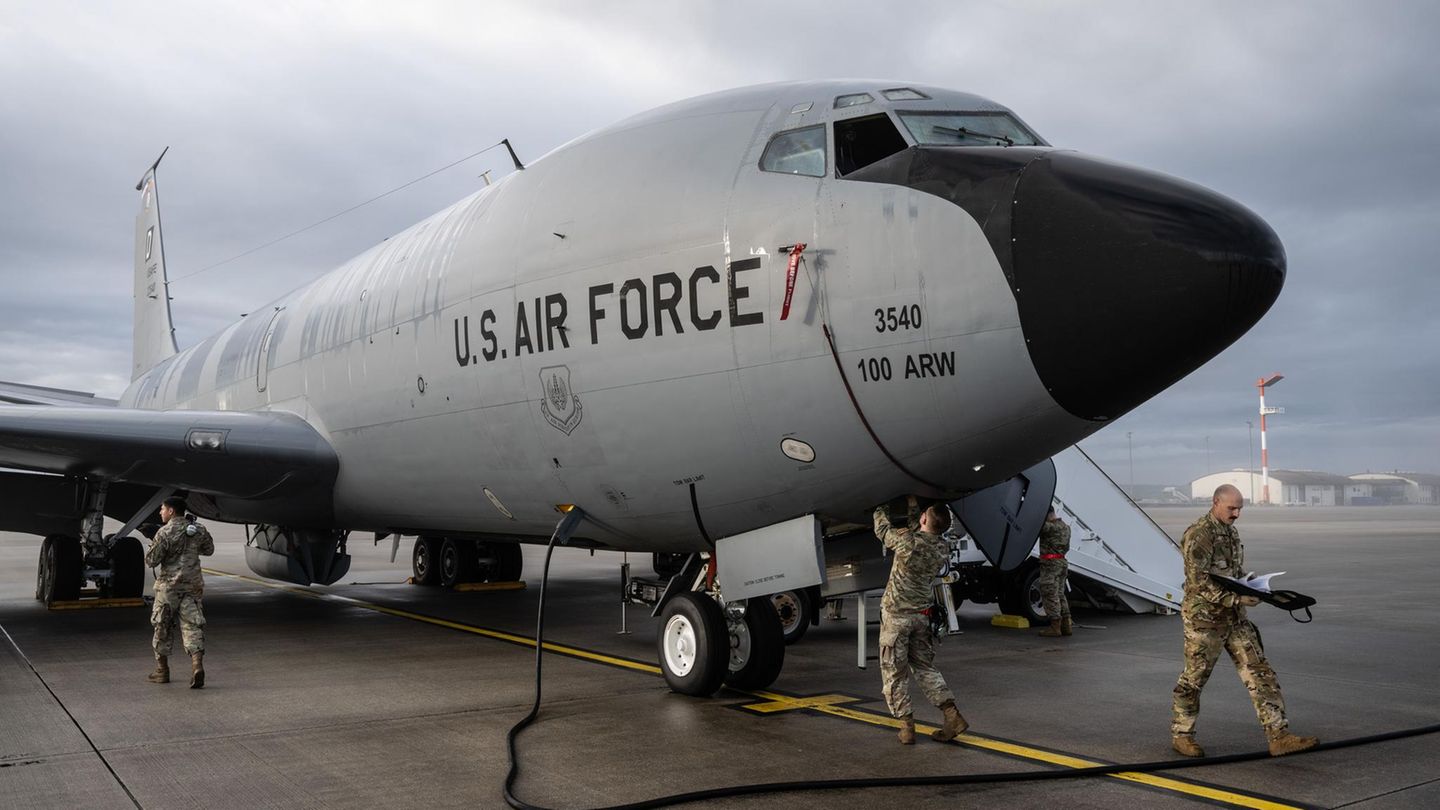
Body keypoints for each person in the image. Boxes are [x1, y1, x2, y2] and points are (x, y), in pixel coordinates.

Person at [1171, 485, 1317, 757]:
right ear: (1216, 503)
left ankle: (1279, 736)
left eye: (1240, 509)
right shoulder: (1198, 535)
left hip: (1235, 620)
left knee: (1261, 674)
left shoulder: (1230, 531)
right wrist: (1236, 600)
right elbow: (1198, 582)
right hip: (1205, 620)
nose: (1237, 514)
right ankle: (1182, 734)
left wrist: (1251, 585)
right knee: (1194, 679)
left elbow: (1231, 573)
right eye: (1232, 508)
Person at [873, 496, 966, 745]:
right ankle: (951, 714)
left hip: (896, 619)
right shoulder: (940, 548)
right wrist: (915, 507)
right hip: (921, 618)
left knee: (894, 674)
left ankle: (906, 728)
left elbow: (882, 530)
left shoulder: (908, 543)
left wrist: (878, 507)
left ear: (925, 519)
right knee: (925, 668)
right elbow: (920, 531)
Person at [145, 496, 214, 688]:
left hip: (169, 588)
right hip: (192, 586)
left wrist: (153, 539)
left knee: (162, 626)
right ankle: (196, 666)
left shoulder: (164, 532)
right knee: (193, 625)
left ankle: (162, 671)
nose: (160, 512)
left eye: (162, 509)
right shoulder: (197, 529)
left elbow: (151, 561)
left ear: (171, 511)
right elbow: (209, 550)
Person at [1036, 506, 1072, 637]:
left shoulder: (1049, 527)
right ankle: (1066, 625)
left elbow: (1035, 525)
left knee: (1049, 593)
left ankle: (1055, 627)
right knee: (1060, 594)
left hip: (1050, 564)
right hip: (1062, 562)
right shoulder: (1066, 527)